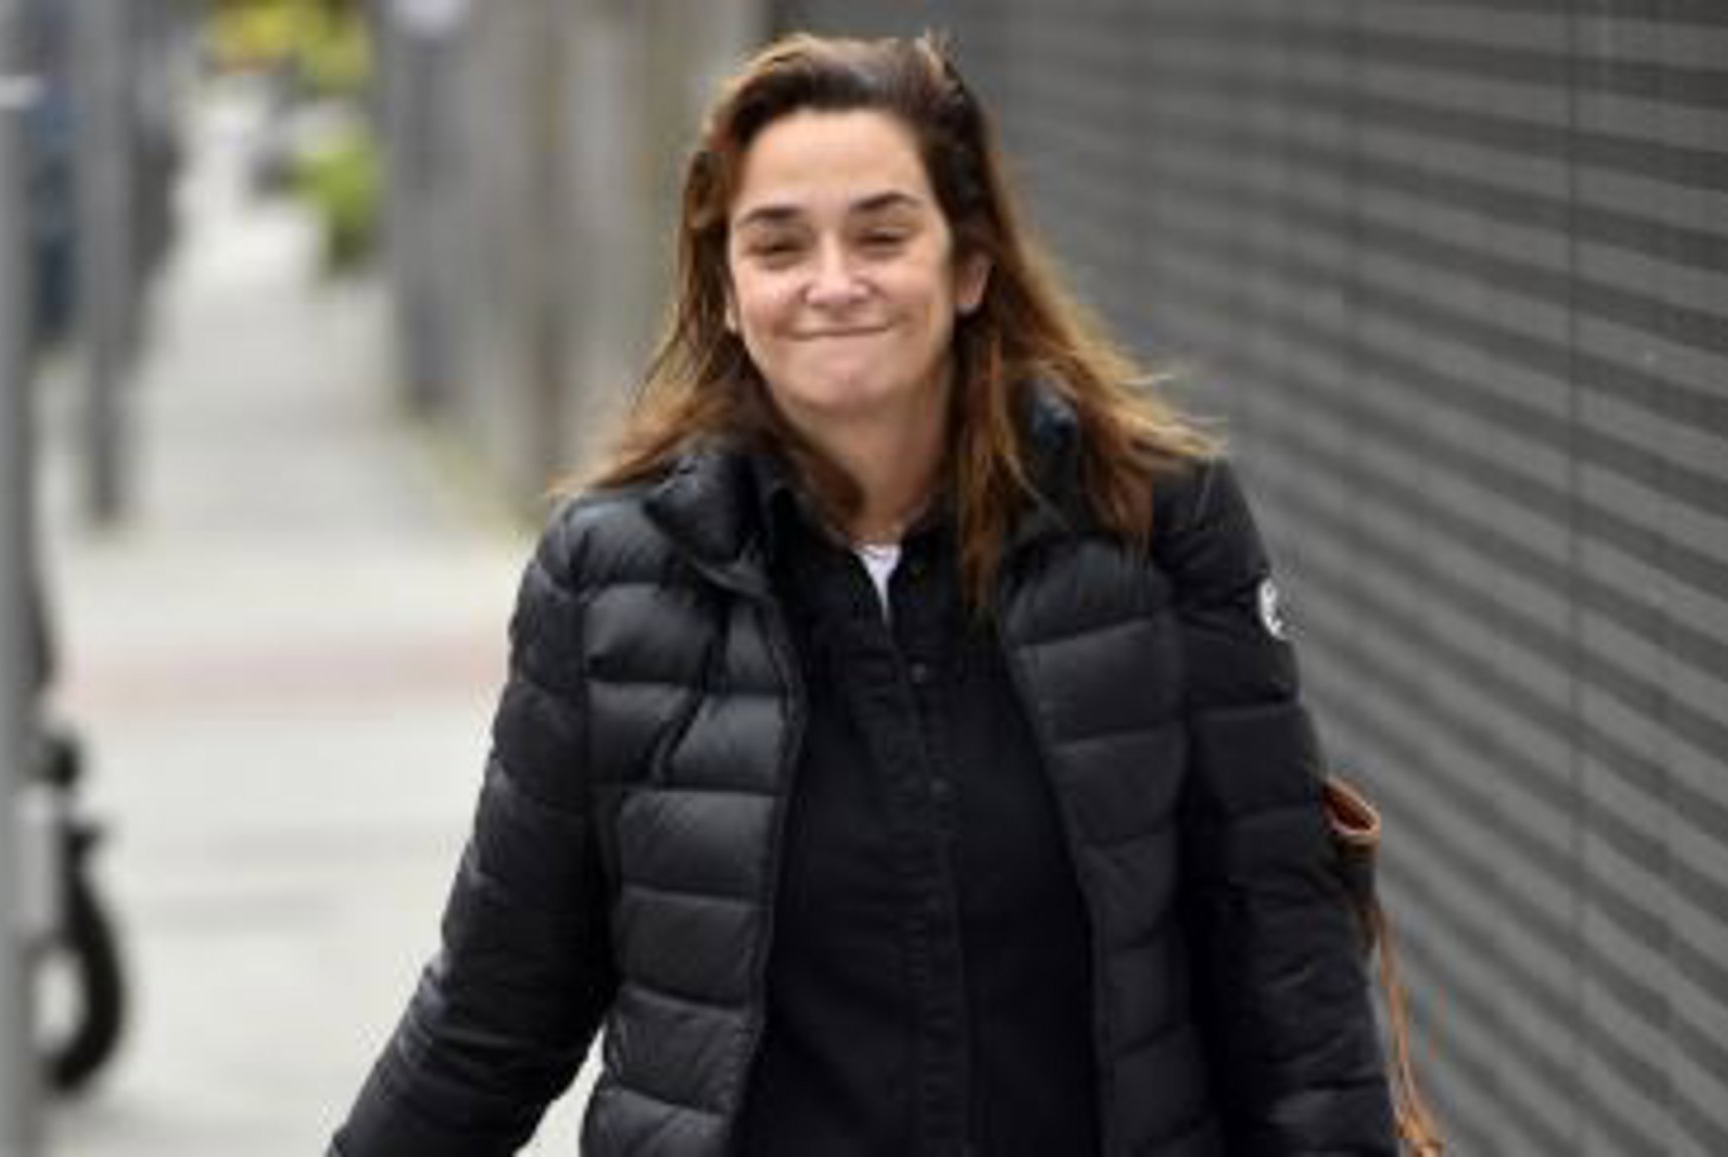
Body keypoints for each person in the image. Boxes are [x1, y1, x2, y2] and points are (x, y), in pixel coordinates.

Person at [331, 31, 1395, 1157]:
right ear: (728, 290)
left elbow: (1284, 956)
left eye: (882, 235)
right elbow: (493, 1010)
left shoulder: (1153, 524)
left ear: (969, 266)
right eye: (778, 245)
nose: (832, 284)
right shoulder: (612, 576)